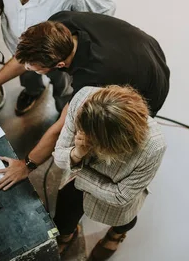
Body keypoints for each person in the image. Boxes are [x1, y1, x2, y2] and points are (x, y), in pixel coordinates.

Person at [0, 11, 170, 190]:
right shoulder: (59, 25)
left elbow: (60, 128)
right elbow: (22, 58)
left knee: (99, 128)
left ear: (59, 66)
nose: (24, 69)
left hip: (147, 86)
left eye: (31, 68)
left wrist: (26, 166)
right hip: (141, 46)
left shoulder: (91, 81)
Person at [52, 85, 166, 260]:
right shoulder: (83, 99)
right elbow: (60, 158)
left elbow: (121, 196)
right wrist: (77, 153)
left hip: (113, 195)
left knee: (125, 220)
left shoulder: (153, 146)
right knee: (63, 216)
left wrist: (77, 170)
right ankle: (66, 236)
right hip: (77, 180)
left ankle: (116, 234)